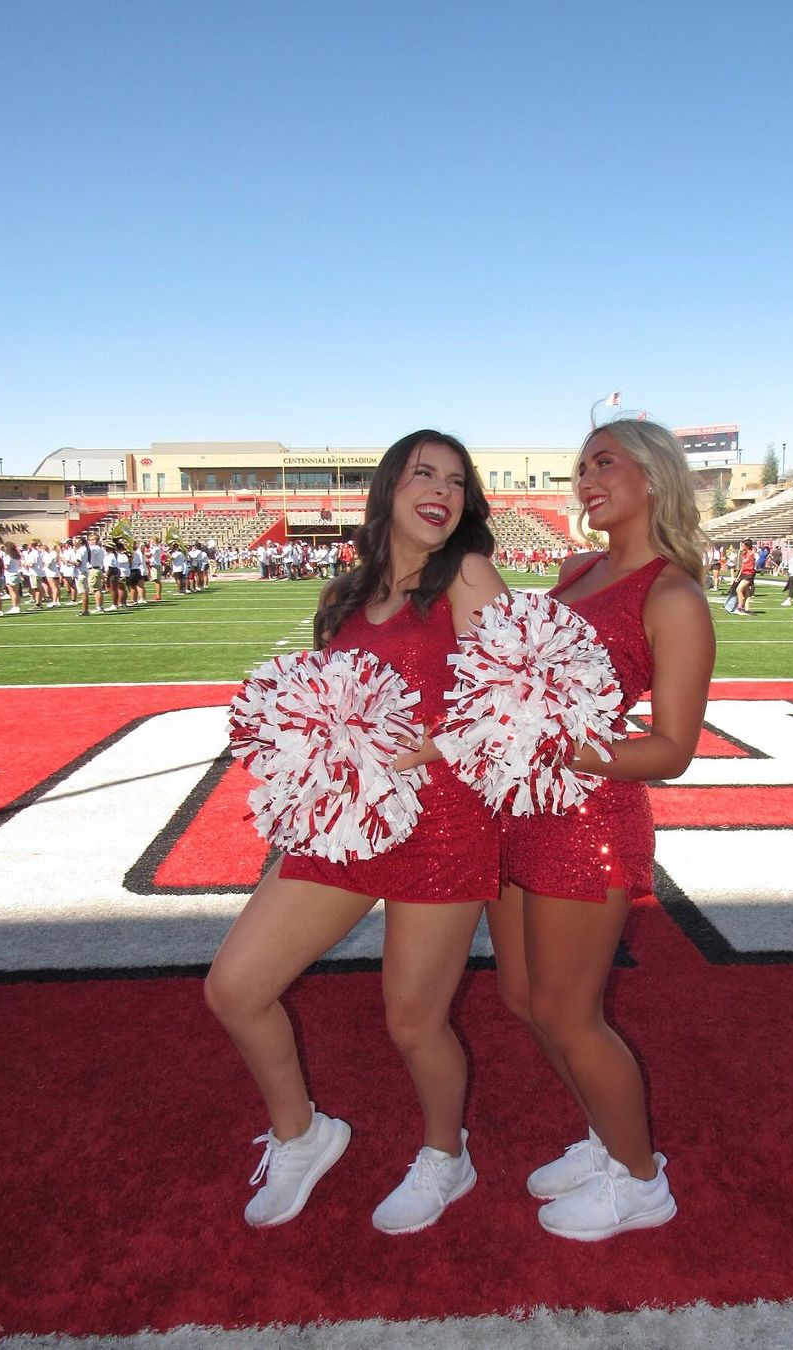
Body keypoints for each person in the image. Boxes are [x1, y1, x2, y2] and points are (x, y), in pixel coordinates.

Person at [205, 430, 507, 1234]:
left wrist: (438, 741)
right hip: (346, 822)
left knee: (412, 1021)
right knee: (235, 987)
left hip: (444, 823)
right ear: (388, 490)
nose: (442, 490)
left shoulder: (467, 575)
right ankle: (301, 1134)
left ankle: (447, 1156)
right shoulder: (342, 594)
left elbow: (521, 694)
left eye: (456, 480)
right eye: (423, 474)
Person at [490, 418, 715, 1241]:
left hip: (589, 820)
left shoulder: (673, 596)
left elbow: (673, 749)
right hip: (521, 807)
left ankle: (642, 1181)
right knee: (523, 999)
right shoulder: (576, 569)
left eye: (604, 463)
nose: (585, 480)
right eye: (580, 467)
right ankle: (607, 1138)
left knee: (568, 1011)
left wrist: (558, 744)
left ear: (652, 476)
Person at [735, 537, 756, 614]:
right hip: (744, 573)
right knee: (746, 593)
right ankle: (746, 609)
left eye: (743, 546)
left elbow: (747, 562)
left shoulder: (751, 553)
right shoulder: (744, 554)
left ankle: (740, 607)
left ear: (747, 546)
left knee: (738, 589)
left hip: (749, 574)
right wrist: (738, 577)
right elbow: (743, 566)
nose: (742, 547)